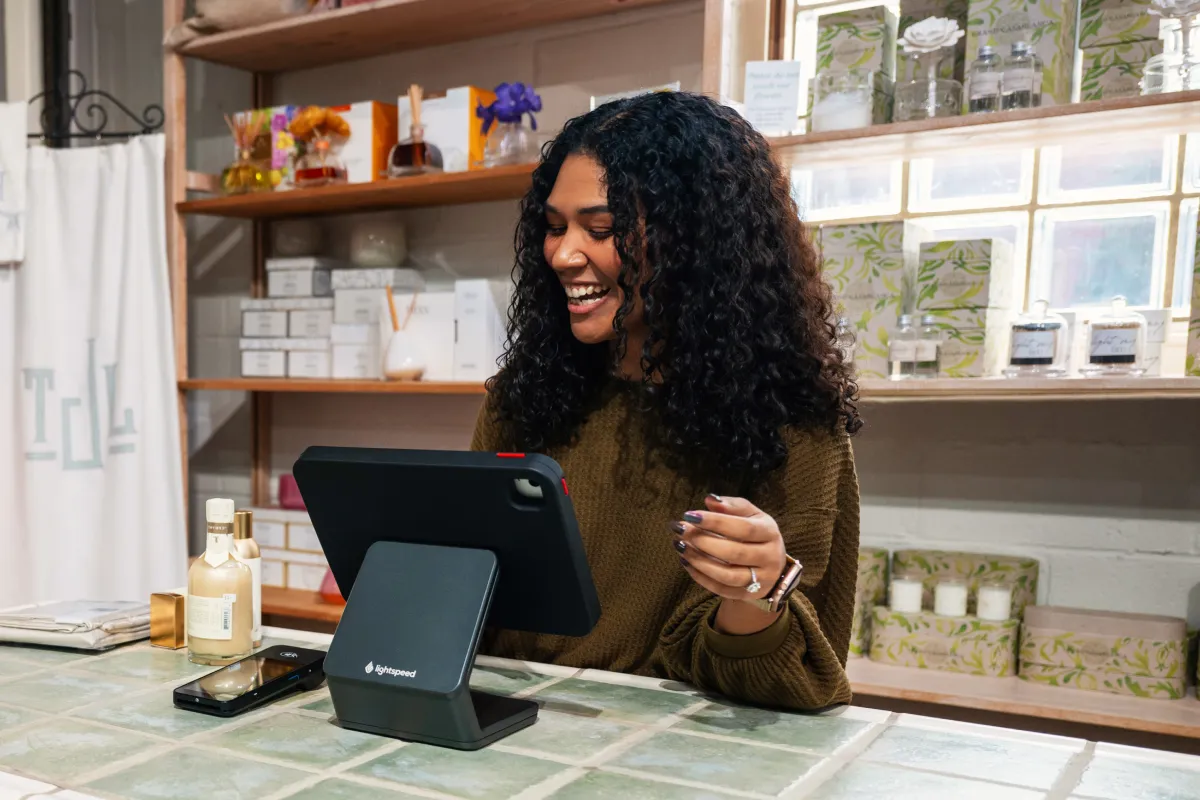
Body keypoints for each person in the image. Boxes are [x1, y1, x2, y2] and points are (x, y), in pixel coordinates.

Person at [471, 91, 861, 711]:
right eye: (553, 227)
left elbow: (791, 689)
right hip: (506, 732)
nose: (563, 255)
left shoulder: (794, 430)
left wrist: (752, 597)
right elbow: (477, 606)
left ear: (694, 242)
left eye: (601, 229)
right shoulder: (526, 401)